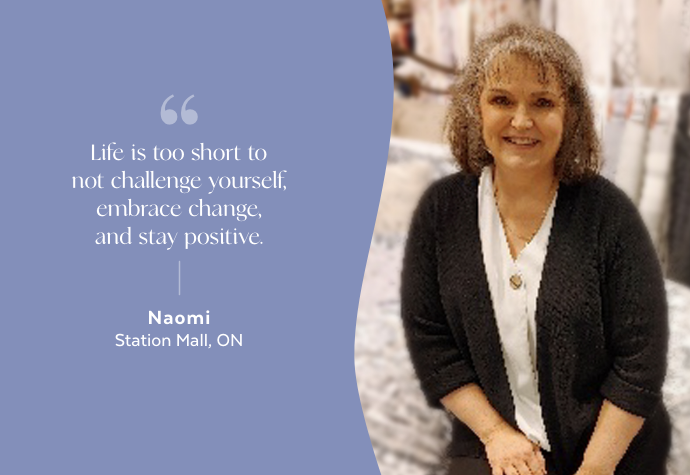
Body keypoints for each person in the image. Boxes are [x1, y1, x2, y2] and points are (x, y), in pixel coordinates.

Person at [401, 24, 670, 475]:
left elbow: (639, 363)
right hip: (493, 440)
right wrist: (495, 434)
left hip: (609, 449)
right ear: (475, 108)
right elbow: (430, 340)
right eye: (501, 100)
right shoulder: (441, 210)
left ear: (570, 115)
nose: (522, 121)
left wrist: (594, 470)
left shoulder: (610, 216)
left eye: (543, 103)